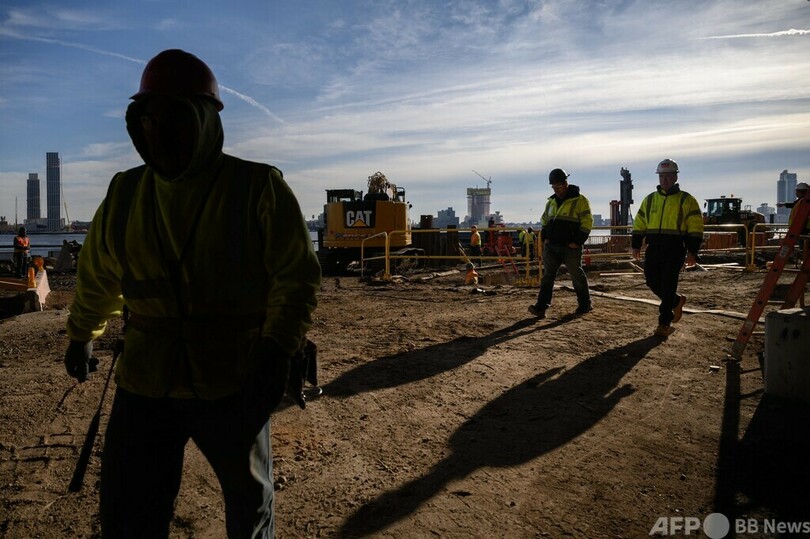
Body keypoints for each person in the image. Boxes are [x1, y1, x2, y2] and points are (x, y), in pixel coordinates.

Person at [63, 49, 320, 538]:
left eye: (173, 119)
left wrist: (276, 346)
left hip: (234, 378)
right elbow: (99, 274)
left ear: (204, 121)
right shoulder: (125, 193)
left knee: (249, 509)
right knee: (129, 511)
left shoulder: (257, 188)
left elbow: (296, 277)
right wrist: (82, 333)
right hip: (147, 381)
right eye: (148, 121)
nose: (158, 134)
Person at [632, 158, 703, 338]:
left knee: (668, 283)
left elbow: (695, 228)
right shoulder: (649, 200)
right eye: (662, 176)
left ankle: (664, 323)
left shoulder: (687, 200)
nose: (664, 180)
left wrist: (692, 252)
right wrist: (636, 244)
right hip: (654, 247)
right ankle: (676, 301)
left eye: (668, 176)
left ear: (675, 177)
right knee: (651, 281)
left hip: (675, 249)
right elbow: (639, 223)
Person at [528, 169, 593, 319]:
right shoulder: (551, 202)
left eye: (558, 186)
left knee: (576, 275)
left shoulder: (579, 200)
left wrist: (577, 242)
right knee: (547, 277)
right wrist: (545, 238)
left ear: (565, 183)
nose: (556, 190)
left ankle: (585, 304)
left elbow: (587, 222)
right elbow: (545, 220)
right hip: (552, 246)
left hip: (570, 248)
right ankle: (541, 307)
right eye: (553, 187)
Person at [777, 182, 810, 260]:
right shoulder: (801, 201)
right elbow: (793, 205)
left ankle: (805, 261)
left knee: (804, 247)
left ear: (802, 192)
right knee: (803, 247)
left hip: (803, 228)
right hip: (800, 228)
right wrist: (784, 204)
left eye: (797, 191)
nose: (796, 193)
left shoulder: (804, 202)